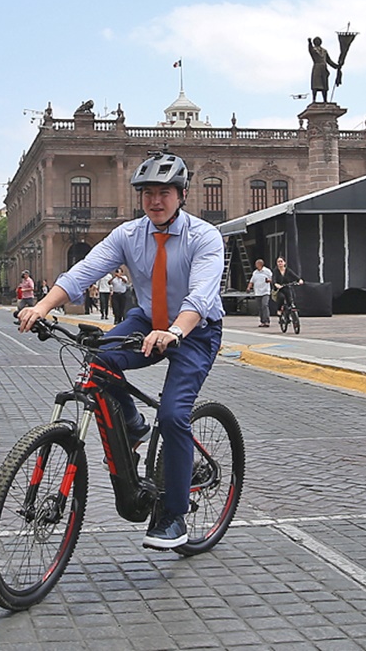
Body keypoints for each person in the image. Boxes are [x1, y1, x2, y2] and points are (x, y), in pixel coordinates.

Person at [16, 150, 225, 550]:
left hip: (195, 330)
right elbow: (83, 272)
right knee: (99, 361)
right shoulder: (128, 235)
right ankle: (133, 427)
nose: (155, 200)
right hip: (147, 320)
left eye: (164, 192)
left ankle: (173, 515)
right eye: (147, 193)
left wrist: (175, 332)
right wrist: (41, 307)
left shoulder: (204, 237)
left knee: (174, 414)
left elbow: (200, 295)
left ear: (181, 194)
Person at [308, 36, 339, 103]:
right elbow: (310, 50)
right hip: (317, 68)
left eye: (319, 40)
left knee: (324, 86)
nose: (318, 42)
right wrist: (309, 43)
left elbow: (329, 60)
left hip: (324, 69)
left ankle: (325, 100)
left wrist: (336, 66)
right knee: (315, 85)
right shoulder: (313, 50)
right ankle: (314, 100)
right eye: (316, 41)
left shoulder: (324, 51)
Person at [247, 259, 272, 327]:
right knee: (260, 307)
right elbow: (251, 281)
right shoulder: (255, 273)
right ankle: (262, 321)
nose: (256, 265)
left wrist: (269, 280)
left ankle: (267, 321)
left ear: (260, 264)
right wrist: (249, 287)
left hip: (265, 291)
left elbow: (273, 279)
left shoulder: (267, 271)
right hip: (257, 292)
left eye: (257, 264)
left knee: (264, 305)